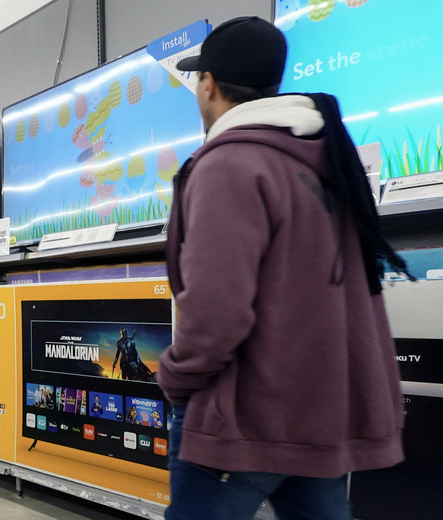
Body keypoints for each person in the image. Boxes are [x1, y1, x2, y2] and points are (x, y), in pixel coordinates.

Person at [157, 16, 410, 520]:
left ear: (208, 84)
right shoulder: (323, 159)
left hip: (243, 416)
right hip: (319, 412)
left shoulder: (229, 164)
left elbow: (216, 311)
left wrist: (175, 377)